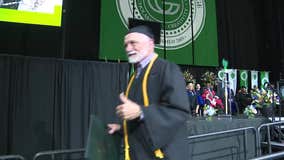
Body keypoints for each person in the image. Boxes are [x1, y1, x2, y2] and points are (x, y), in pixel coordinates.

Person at [107, 18, 190, 160]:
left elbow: (180, 111)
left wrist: (140, 111)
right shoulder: (134, 77)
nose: (128, 48)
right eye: (126, 44)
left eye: (133, 43)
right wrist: (122, 128)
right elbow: (138, 119)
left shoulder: (167, 69)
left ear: (151, 43)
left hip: (163, 154)